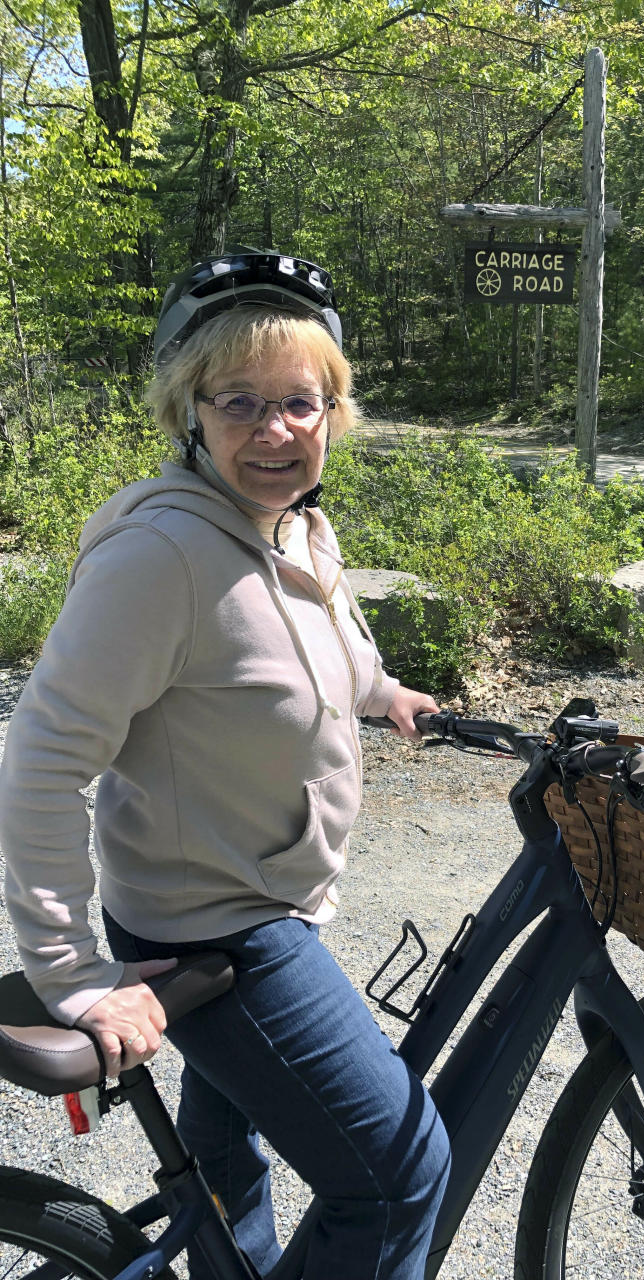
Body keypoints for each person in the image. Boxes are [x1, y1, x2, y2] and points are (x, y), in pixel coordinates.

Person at [0, 249, 451, 1280]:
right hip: (218, 923)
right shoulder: (160, 557)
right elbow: (40, 759)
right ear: (188, 411)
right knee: (400, 1169)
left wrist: (384, 694)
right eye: (240, 400)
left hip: (266, 896)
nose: (275, 428)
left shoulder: (292, 528)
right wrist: (75, 976)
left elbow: (320, 637)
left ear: (334, 412)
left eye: (301, 400)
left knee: (226, 1166)